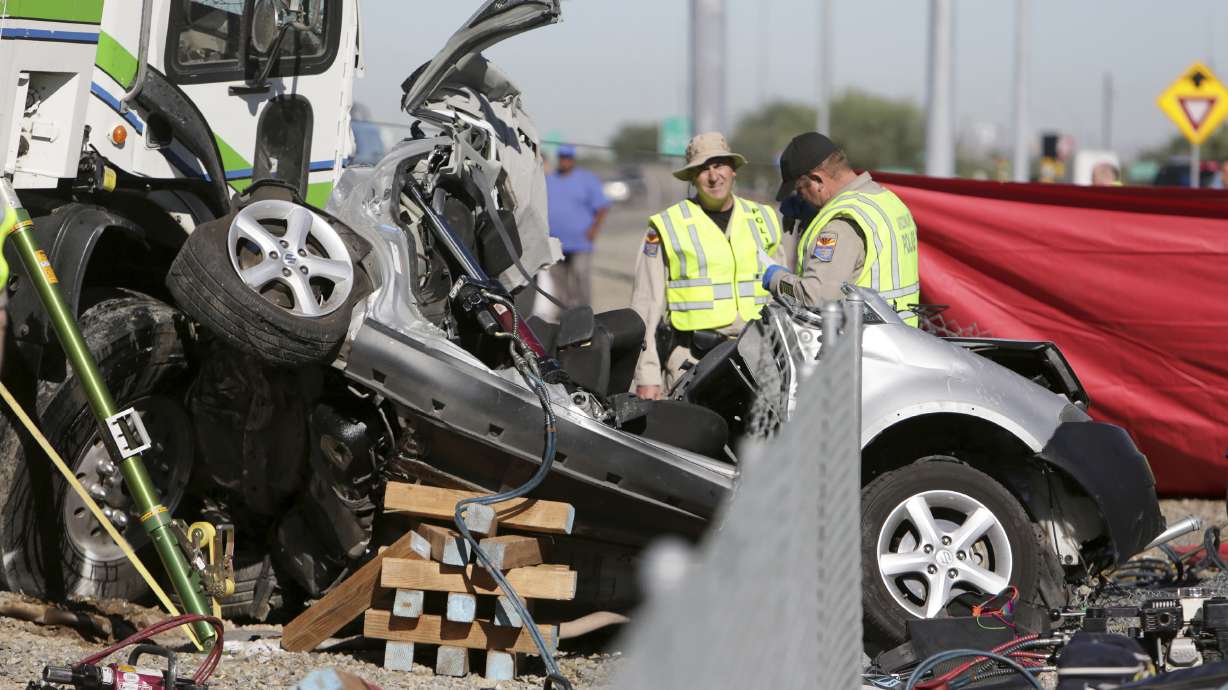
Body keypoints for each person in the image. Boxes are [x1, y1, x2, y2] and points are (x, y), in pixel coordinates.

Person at [630, 132, 785, 399]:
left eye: (719, 165)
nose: (713, 176)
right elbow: (645, 306)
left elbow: (783, 295)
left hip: (759, 358)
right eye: (703, 169)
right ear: (692, 177)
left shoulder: (764, 218)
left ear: (733, 170)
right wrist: (648, 375)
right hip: (693, 361)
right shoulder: (668, 225)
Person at [762, 132, 920, 326]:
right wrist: (813, 215)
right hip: (903, 336)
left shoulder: (840, 225)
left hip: (862, 346)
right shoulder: (888, 202)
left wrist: (776, 279)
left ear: (817, 180)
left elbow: (816, 297)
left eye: (800, 190)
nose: (800, 198)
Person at [544, 144, 610, 310]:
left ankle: (585, 312)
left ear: (573, 160)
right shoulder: (549, 179)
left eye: (568, 158)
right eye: (562, 157)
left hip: (580, 241)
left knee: (581, 276)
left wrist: (594, 229)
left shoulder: (587, 179)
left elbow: (602, 206)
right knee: (558, 280)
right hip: (555, 241)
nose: (565, 161)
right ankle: (564, 313)